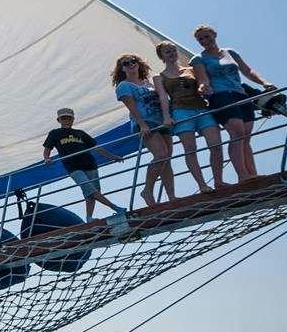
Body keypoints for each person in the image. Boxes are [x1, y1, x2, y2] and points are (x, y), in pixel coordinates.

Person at [192, 24, 273, 183]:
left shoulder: (231, 53)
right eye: (200, 39)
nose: (204, 40)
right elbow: (203, 79)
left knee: (246, 137)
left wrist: (265, 83)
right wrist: (203, 88)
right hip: (221, 96)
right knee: (237, 134)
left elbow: (247, 70)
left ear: (214, 35)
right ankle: (243, 176)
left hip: (241, 95)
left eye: (206, 36)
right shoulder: (198, 59)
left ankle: (253, 174)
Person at [153, 41, 221, 195]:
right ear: (161, 56)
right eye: (167, 52)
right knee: (190, 150)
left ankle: (218, 181)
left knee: (216, 145)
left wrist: (205, 88)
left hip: (201, 108)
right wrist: (166, 117)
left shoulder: (191, 70)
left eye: (173, 50)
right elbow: (163, 97)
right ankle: (203, 185)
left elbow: (204, 83)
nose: (171, 53)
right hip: (181, 112)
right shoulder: (159, 77)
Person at [113, 53, 174, 207]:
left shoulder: (149, 83)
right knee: (161, 154)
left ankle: (172, 196)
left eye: (133, 61)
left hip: (161, 121)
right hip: (146, 122)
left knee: (166, 159)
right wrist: (142, 125)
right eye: (125, 63)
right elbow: (131, 107)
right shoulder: (124, 86)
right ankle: (147, 190)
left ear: (138, 63)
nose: (130, 64)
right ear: (122, 68)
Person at [41, 107, 124, 220]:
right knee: (90, 190)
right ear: (59, 120)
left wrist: (113, 157)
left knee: (91, 193)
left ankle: (89, 217)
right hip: (73, 167)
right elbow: (47, 148)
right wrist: (46, 158)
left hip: (89, 164)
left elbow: (97, 148)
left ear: (73, 119)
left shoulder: (80, 133)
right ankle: (115, 208)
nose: (66, 120)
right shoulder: (55, 133)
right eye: (63, 118)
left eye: (68, 118)